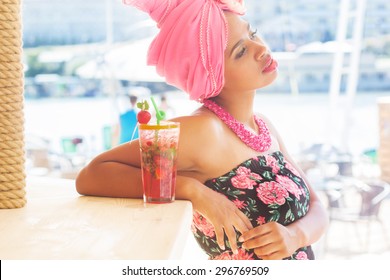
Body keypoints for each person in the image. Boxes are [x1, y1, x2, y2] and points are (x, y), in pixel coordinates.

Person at [76, 0, 328, 260]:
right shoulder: (202, 131)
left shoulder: (263, 126)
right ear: (211, 74)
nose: (261, 48)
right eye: (240, 51)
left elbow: (318, 208)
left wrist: (295, 236)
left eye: (252, 33)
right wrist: (192, 190)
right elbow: (92, 175)